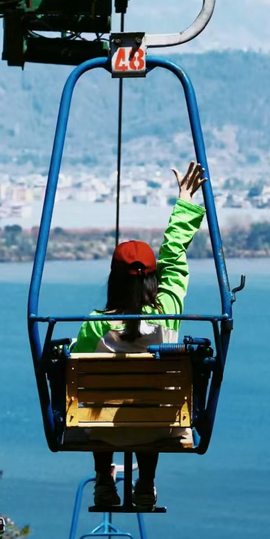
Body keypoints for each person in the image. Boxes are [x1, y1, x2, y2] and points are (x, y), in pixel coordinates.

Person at [74, 161, 207, 510]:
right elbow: (174, 256)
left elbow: (75, 362)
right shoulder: (168, 310)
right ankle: (145, 484)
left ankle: (105, 481)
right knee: (152, 404)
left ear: (113, 280)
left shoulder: (95, 323)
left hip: (102, 430)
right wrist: (185, 201)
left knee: (99, 404)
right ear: (154, 280)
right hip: (160, 427)